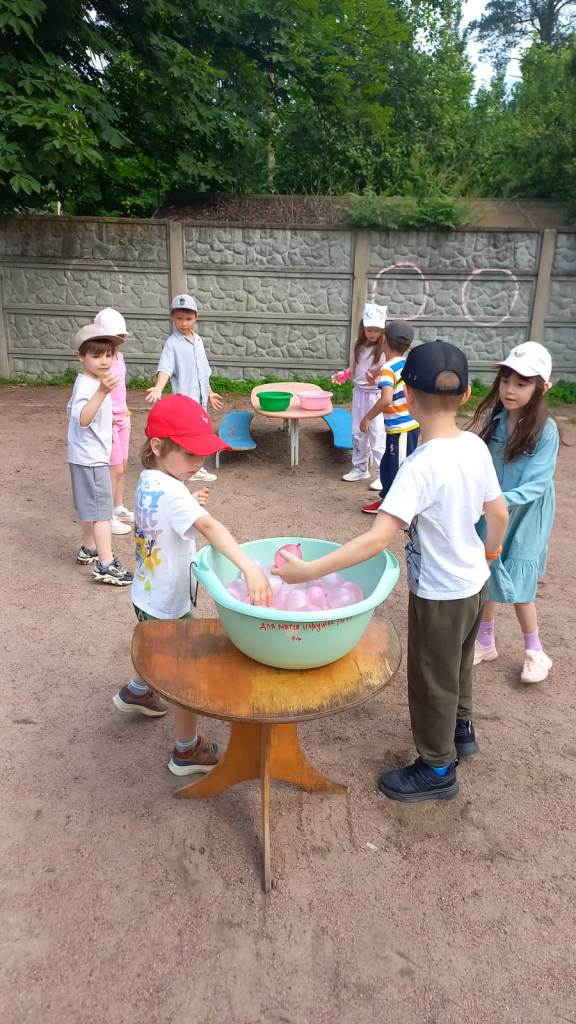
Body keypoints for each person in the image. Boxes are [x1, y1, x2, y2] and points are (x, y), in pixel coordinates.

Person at [274, 341, 509, 803]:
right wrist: (490, 551)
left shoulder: (418, 466)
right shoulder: (475, 446)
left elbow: (376, 539)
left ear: (408, 397)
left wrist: (308, 572)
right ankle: (461, 730)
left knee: (431, 678)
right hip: (474, 585)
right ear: (465, 396)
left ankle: (437, 768)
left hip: (440, 593)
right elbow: (498, 512)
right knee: (459, 663)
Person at [112, 394, 272, 775]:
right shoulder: (173, 493)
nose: (199, 462)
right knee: (184, 679)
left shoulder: (151, 479)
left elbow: (167, 509)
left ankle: (139, 691)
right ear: (157, 446)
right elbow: (209, 526)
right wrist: (249, 568)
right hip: (169, 605)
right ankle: (186, 750)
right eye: (190, 454)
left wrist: (188, 497)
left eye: (202, 453)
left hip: (146, 595)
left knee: (157, 649)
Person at [468, 342, 559, 684]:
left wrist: (495, 501)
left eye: (521, 383)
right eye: (506, 380)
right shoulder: (496, 420)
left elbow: (538, 483)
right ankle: (485, 640)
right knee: (489, 568)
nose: (509, 389)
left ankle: (535, 651)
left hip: (527, 514)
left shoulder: (546, 430)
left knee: (521, 582)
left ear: (542, 388)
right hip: (494, 509)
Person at [68, 325, 133, 585]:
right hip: (91, 458)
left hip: (84, 455)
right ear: (80, 356)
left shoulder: (90, 381)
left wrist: (109, 419)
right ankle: (106, 564)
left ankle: (89, 548)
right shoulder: (91, 386)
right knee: (102, 513)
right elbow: (83, 418)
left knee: (90, 507)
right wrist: (103, 392)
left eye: (109, 355)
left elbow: (82, 414)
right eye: (96, 356)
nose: (104, 361)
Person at [145, 293, 224, 484]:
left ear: (196, 317)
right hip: (185, 403)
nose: (184, 323)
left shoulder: (198, 341)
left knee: (200, 435)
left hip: (200, 401)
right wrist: (158, 388)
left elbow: (203, 371)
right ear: (172, 317)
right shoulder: (172, 344)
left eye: (188, 318)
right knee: (187, 437)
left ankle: (194, 468)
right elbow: (165, 368)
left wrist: (210, 392)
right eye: (179, 318)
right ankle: (183, 469)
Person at [360, 319, 419, 515]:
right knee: (388, 464)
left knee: (399, 468)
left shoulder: (388, 369)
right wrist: (377, 370)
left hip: (402, 427)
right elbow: (394, 369)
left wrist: (367, 417)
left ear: (384, 339)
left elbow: (386, 399)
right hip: (405, 426)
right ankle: (387, 499)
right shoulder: (405, 363)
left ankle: (398, 509)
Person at [333, 303, 388, 489]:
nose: (372, 333)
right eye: (369, 329)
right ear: (363, 327)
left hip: (376, 396)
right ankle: (360, 467)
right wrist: (346, 374)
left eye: (376, 330)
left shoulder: (384, 348)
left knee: (377, 435)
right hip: (359, 394)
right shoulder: (359, 345)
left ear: (382, 330)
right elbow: (355, 368)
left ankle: (382, 474)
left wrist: (377, 373)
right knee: (358, 432)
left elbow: (389, 368)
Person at [94, 307, 132, 537]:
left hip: (123, 416)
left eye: (121, 337)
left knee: (122, 466)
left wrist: (123, 411)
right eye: (113, 337)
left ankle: (118, 507)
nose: (118, 342)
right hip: (107, 420)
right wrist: (105, 416)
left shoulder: (118, 356)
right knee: (114, 468)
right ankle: (106, 516)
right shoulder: (100, 361)